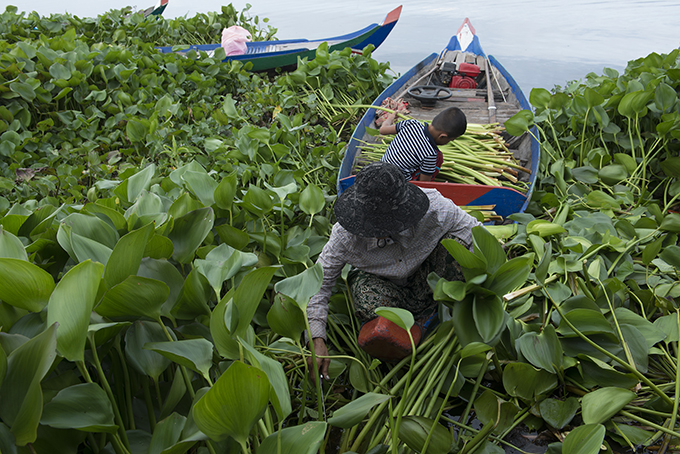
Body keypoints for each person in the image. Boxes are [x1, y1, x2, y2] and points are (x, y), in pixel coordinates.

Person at [306, 162, 482, 379]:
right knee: (364, 297)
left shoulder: (436, 208)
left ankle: (433, 313)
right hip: (383, 288)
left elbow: (478, 237)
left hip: (430, 280)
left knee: (458, 246)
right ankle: (406, 326)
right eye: (373, 227)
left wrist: (485, 291)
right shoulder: (344, 236)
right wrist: (316, 339)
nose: (380, 232)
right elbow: (318, 285)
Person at [379, 106, 467, 181]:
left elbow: (383, 130)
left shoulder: (411, 123)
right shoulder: (430, 155)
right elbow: (424, 185)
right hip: (397, 185)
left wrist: (390, 118)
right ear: (442, 136)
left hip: (379, 169)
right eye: (451, 140)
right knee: (439, 158)